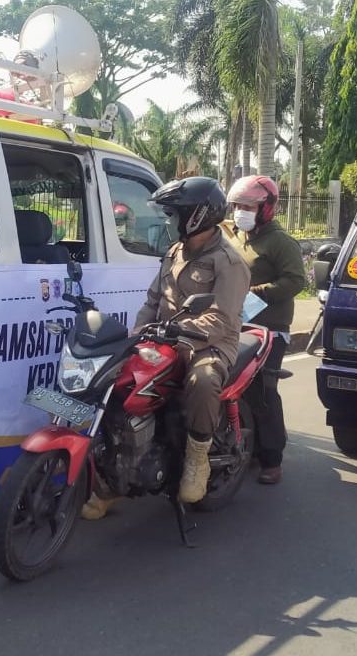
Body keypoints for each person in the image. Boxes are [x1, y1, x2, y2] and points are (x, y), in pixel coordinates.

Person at [82, 176, 250, 518]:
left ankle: (197, 460)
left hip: (211, 344)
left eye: (175, 215)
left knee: (201, 382)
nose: (169, 222)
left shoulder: (228, 263)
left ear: (197, 216)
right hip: (165, 336)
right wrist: (140, 332)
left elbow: (221, 319)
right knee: (119, 385)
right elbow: (154, 299)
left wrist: (178, 330)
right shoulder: (175, 252)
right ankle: (114, 480)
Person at [228, 175, 306, 484]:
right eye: (237, 206)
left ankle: (272, 458)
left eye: (248, 206)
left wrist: (257, 293)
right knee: (236, 389)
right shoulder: (233, 236)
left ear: (266, 208)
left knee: (263, 389)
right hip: (236, 324)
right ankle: (248, 447)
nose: (240, 211)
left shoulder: (279, 241)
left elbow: (296, 281)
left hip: (270, 329)